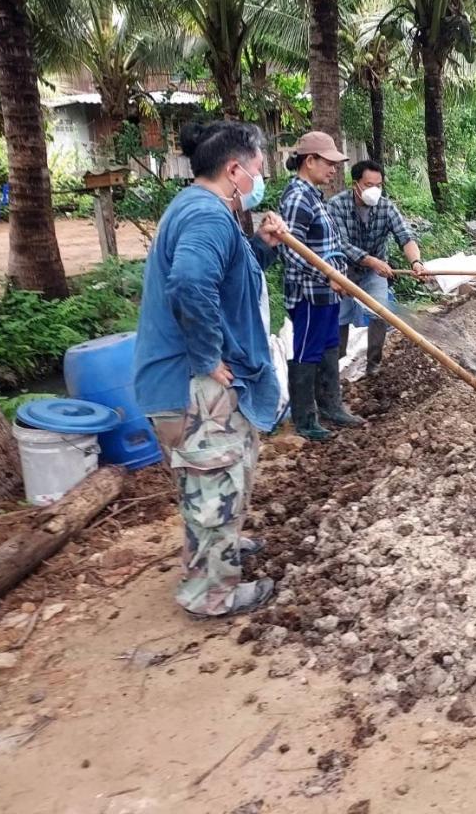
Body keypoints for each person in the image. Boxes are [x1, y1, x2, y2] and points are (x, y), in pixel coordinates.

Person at [134, 120, 286, 618]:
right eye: (259, 170)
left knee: (225, 477)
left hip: (204, 382)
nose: (260, 181)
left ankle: (222, 550)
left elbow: (228, 282)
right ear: (235, 169)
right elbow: (190, 282)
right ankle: (212, 594)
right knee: (214, 485)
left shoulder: (208, 210)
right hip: (193, 383)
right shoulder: (206, 216)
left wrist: (262, 247)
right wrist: (207, 355)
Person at [278, 131, 363, 438]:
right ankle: (304, 420)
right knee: (308, 351)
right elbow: (290, 250)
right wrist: (326, 275)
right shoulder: (299, 198)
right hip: (310, 293)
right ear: (309, 161)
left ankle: (331, 406)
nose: (333, 169)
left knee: (329, 346)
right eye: (328, 163)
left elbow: (329, 243)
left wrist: (342, 271)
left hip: (327, 292)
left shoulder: (314, 195)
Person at [326, 158, 426, 376]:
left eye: (378, 185)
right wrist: (372, 261)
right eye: (369, 185)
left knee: (379, 312)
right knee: (341, 316)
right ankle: (338, 366)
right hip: (343, 271)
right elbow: (340, 244)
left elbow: (405, 236)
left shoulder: (386, 207)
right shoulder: (336, 205)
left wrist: (416, 262)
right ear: (356, 185)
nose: (375, 190)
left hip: (374, 272)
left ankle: (374, 366)